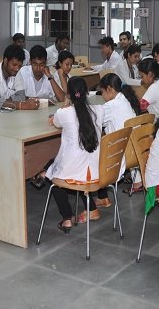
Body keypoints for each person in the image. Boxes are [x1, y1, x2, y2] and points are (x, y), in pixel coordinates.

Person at [46, 77, 105, 232]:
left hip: (75, 174)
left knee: (53, 176)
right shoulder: (100, 110)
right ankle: (91, 208)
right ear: (87, 93)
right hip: (98, 173)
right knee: (55, 165)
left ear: (68, 94)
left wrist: (66, 103)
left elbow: (54, 122)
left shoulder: (64, 113)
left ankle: (67, 218)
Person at [99, 72, 142, 200]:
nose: (102, 96)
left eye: (102, 92)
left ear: (109, 89)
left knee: (93, 151)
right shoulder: (125, 99)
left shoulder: (112, 105)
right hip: (135, 152)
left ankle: (102, 197)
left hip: (123, 153)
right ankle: (138, 181)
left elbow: (94, 119)